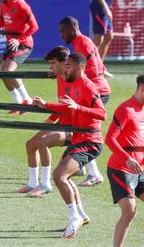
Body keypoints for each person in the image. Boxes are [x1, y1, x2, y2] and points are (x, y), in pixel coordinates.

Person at [33, 52, 106, 239]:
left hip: (90, 141)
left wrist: (79, 108)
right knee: (65, 177)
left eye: (68, 66)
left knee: (59, 176)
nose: (65, 70)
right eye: (65, 66)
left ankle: (74, 218)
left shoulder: (88, 87)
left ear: (79, 67)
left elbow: (102, 113)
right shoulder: (73, 85)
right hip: (78, 140)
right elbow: (67, 107)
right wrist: (45, 105)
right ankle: (81, 214)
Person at [59, 16, 111, 186]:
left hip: (96, 91)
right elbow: (99, 67)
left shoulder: (83, 43)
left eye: (63, 31)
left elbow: (94, 71)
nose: (61, 35)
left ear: (72, 29)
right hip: (92, 90)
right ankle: (81, 167)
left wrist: (70, 76)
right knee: (79, 129)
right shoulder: (80, 43)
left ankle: (94, 174)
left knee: (84, 132)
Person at [18, 46, 72, 197]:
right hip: (62, 123)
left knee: (43, 142)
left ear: (64, 62)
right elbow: (62, 105)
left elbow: (69, 108)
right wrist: (51, 118)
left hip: (75, 128)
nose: (51, 67)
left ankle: (46, 184)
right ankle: (32, 183)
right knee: (30, 144)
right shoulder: (60, 77)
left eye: (54, 63)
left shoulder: (72, 80)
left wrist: (45, 105)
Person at [0, 0, 38, 114]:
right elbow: (2, 22)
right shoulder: (3, 5)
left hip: (24, 44)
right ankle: (18, 103)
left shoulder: (21, 5)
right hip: (12, 44)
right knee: (2, 73)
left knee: (8, 71)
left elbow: (34, 26)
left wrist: (19, 40)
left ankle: (27, 101)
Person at [105, 74, 144, 247]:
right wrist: (128, 159)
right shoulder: (126, 109)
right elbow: (109, 139)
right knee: (129, 211)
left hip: (140, 170)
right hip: (121, 169)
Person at [90, 0, 115, 78]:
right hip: (100, 9)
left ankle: (100, 68)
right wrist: (105, 8)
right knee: (98, 39)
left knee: (109, 37)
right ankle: (83, 66)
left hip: (104, 9)